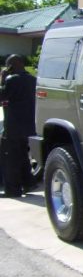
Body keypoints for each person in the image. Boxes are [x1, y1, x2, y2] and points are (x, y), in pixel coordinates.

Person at [0, 54, 37, 197]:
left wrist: (3, 78)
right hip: (28, 126)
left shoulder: (12, 80)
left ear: (12, 66)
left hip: (13, 126)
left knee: (10, 159)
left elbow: (1, 96)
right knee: (22, 156)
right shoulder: (33, 80)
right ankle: (29, 183)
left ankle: (12, 190)